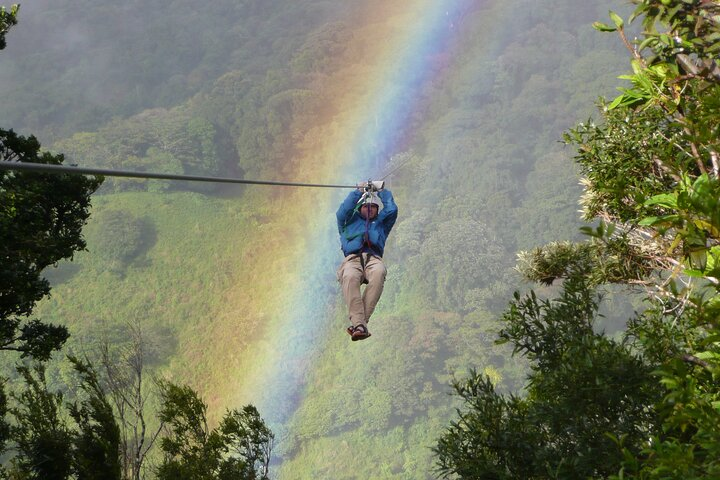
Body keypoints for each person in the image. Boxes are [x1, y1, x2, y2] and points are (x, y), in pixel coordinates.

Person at [336, 181, 398, 341]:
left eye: (373, 207)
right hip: (352, 259)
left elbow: (391, 209)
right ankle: (360, 325)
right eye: (366, 206)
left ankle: (359, 325)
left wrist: (382, 191)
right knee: (349, 277)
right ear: (360, 208)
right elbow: (342, 212)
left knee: (379, 272)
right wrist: (358, 191)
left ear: (377, 210)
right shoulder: (347, 222)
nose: (370, 209)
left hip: (373, 258)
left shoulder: (381, 224)